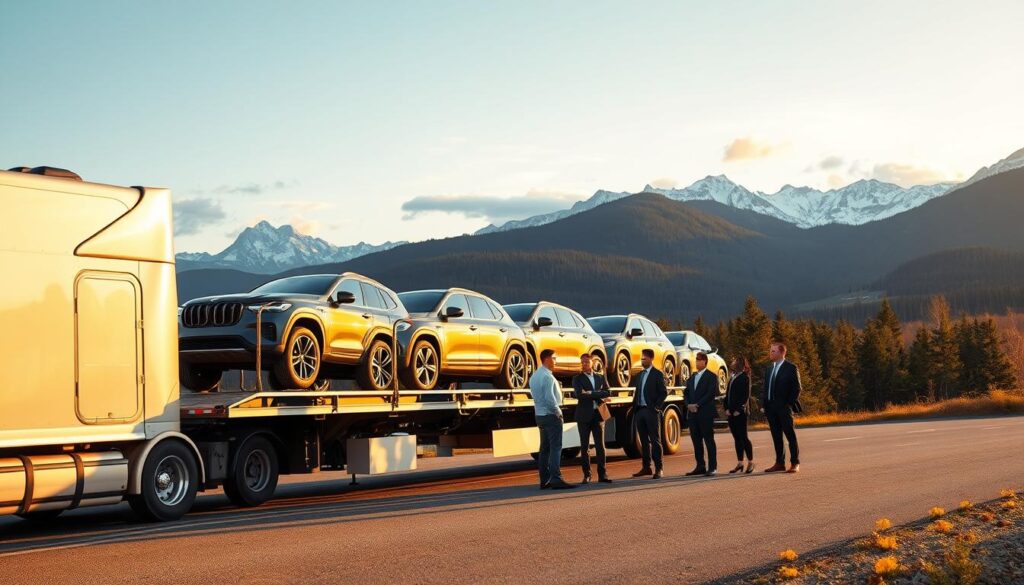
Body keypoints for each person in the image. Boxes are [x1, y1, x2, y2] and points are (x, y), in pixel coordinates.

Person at [530, 349, 576, 489]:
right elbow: (550, 399)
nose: (556, 361)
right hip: (551, 416)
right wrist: (558, 412)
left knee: (544, 449)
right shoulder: (548, 377)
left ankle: (544, 480)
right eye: (554, 358)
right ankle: (556, 478)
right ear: (547, 359)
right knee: (556, 448)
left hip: (540, 415)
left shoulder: (534, 376)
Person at [572, 354, 613, 483]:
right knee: (584, 447)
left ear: (592, 363)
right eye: (582, 362)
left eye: (586, 362)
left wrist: (591, 393)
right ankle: (587, 475)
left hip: (598, 414)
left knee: (600, 446)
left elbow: (608, 392)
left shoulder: (600, 377)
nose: (583, 364)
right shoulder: (577, 378)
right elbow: (580, 395)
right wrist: (598, 395)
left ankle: (603, 475)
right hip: (583, 416)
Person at [762, 341, 801, 473]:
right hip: (771, 408)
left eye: (773, 351)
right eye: (770, 350)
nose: (770, 353)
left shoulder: (791, 368)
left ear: (781, 352)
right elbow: (765, 388)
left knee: (790, 435)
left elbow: (797, 388)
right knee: (776, 436)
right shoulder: (769, 369)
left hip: (784, 407)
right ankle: (779, 463)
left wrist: (788, 403)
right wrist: (764, 405)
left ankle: (795, 463)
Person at [631, 348, 667, 479]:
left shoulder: (657, 374)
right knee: (644, 442)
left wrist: (656, 407)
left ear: (651, 359)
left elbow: (664, 392)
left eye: (644, 358)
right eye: (641, 358)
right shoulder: (640, 375)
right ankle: (646, 467)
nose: (642, 360)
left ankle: (659, 468)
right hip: (640, 411)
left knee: (655, 441)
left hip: (651, 411)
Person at [683, 352, 719, 476]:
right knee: (696, 441)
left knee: (709, 440)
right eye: (696, 360)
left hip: (705, 413)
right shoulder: (692, 377)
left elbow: (710, 394)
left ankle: (713, 467)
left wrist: (697, 405)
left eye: (698, 360)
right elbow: (686, 393)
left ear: (704, 361)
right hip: (693, 414)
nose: (696, 362)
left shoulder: (711, 376)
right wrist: (688, 405)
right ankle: (700, 466)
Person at [724, 355, 754, 474]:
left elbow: (746, 395)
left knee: (744, 437)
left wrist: (739, 409)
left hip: (740, 413)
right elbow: (727, 395)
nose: (732, 362)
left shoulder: (745, 377)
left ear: (740, 363)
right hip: (730, 413)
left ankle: (751, 462)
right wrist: (726, 408)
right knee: (736, 438)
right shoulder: (732, 377)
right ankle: (740, 463)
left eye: (734, 361)